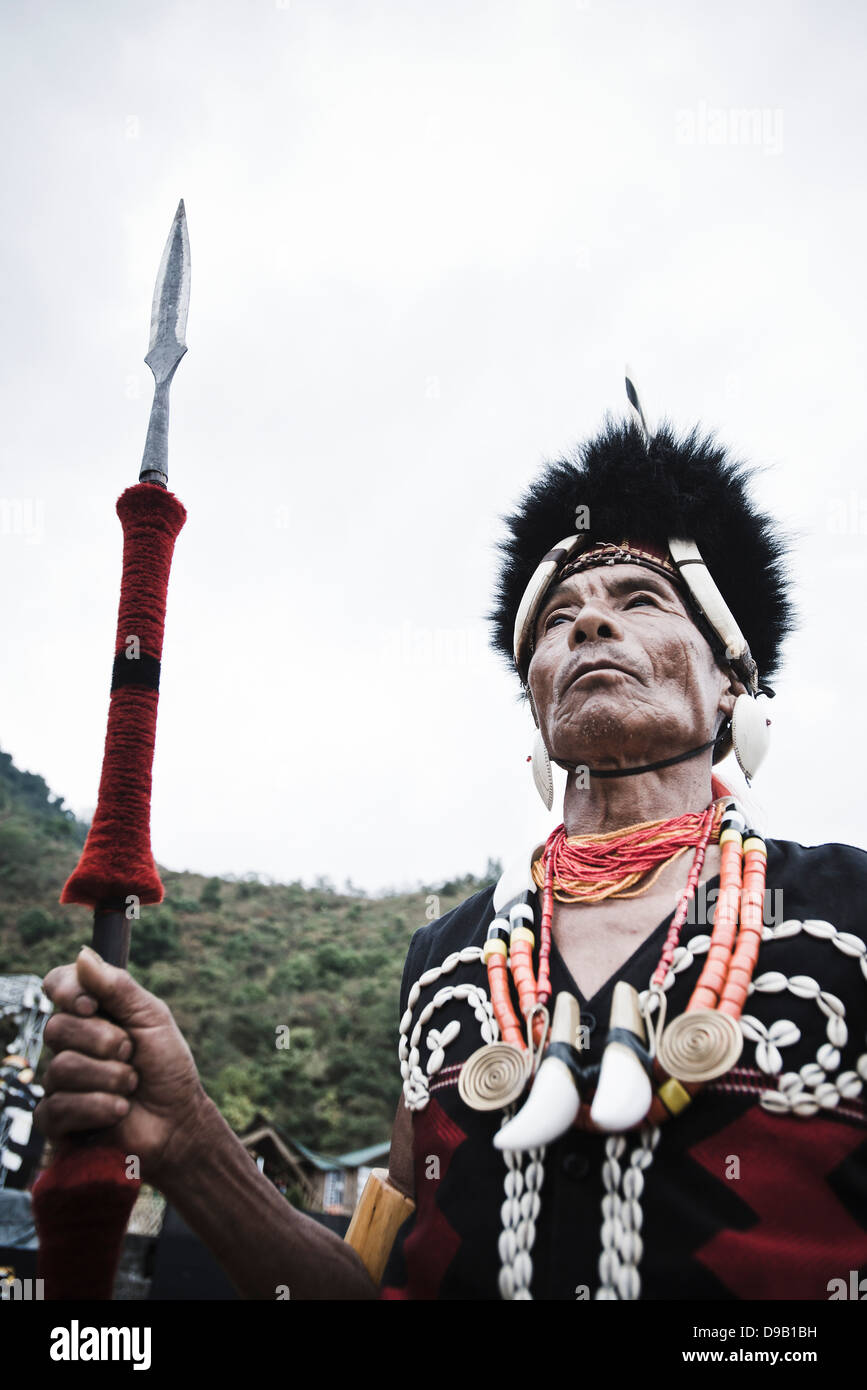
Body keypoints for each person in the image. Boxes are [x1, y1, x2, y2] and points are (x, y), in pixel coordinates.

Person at [35, 392, 867, 1301]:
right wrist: (189, 1140)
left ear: (730, 681)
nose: (588, 624)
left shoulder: (846, 909)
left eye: (639, 598)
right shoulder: (445, 961)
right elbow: (367, 1291)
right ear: (538, 701)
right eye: (556, 619)